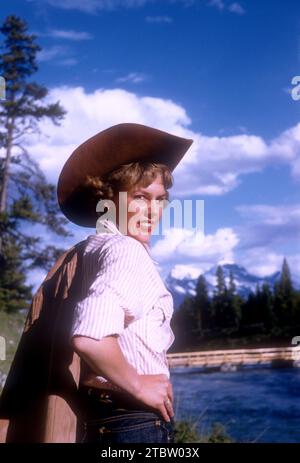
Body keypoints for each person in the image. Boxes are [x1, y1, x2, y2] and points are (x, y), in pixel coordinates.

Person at [0, 122, 193, 443]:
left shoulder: (88, 250)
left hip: (106, 418)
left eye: (160, 199)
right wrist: (138, 384)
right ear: (110, 201)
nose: (152, 211)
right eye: (140, 197)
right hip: (133, 420)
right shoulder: (126, 250)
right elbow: (90, 336)